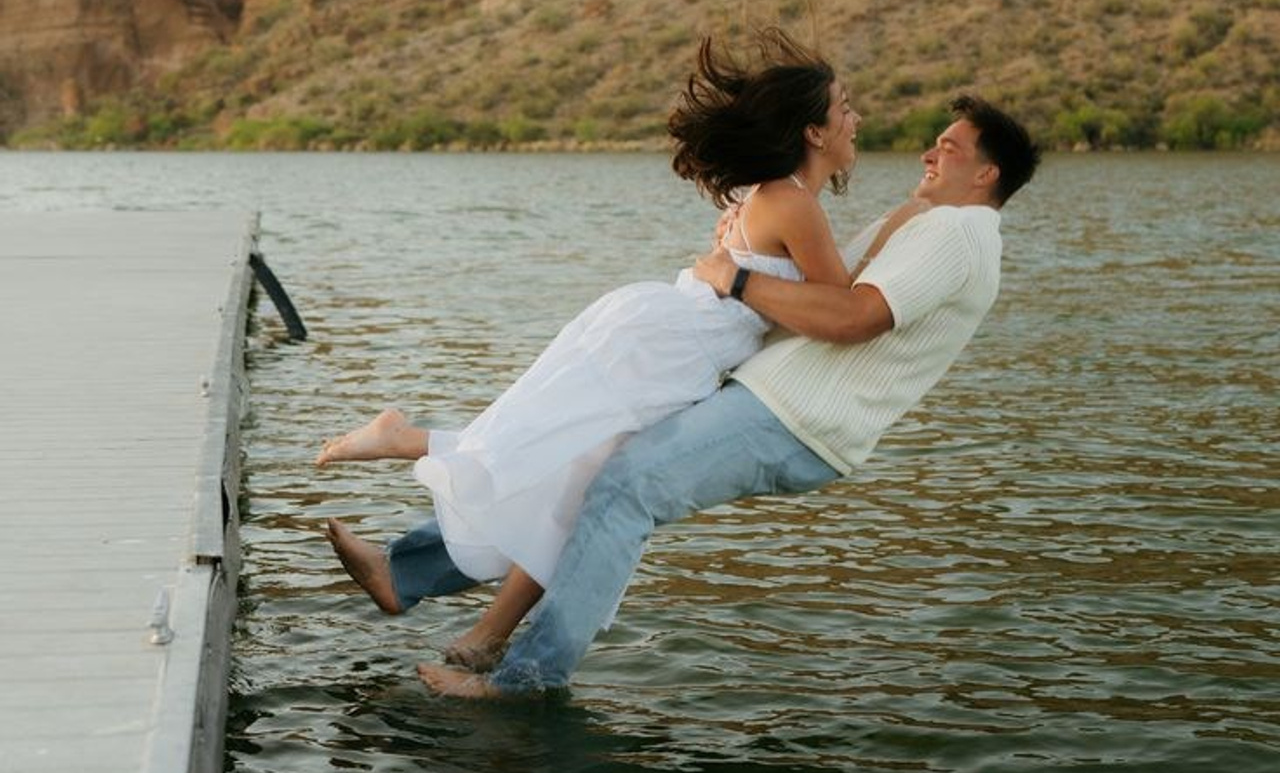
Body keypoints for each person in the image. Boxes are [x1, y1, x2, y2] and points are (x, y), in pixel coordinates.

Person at [401, 93, 1041, 699]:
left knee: (625, 488)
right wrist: (742, 256)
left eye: (949, 148)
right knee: (584, 468)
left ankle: (523, 681)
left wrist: (735, 277)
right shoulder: (923, 222)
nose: (930, 154)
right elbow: (810, 307)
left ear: (988, 174)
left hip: (792, 417)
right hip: (762, 397)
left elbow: (852, 318)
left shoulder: (959, 232)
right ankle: (417, 581)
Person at [318, 30, 862, 672]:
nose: (856, 117)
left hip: (660, 333)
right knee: (552, 455)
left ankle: (479, 631)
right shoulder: (793, 203)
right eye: (845, 106)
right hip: (669, 350)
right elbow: (841, 308)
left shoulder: (774, 197)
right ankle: (408, 439)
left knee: (571, 489)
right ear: (814, 132)